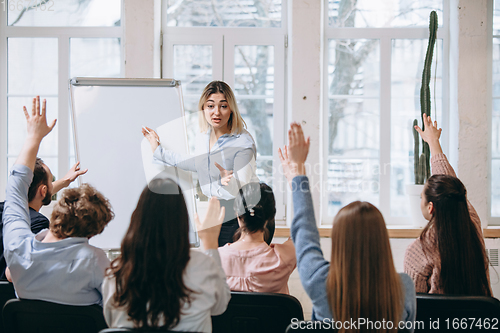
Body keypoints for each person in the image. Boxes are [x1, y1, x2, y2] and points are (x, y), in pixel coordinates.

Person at [280, 123, 416, 332]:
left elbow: (304, 233)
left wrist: (298, 175)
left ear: (340, 241)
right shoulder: (403, 288)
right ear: (382, 241)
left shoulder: (322, 284)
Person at [3, 96, 113, 305]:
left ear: (56, 213)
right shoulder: (95, 261)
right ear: (92, 232)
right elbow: (119, 311)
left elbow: (15, 190)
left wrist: (33, 138)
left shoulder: (19, 251)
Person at [102, 179, 230, 332]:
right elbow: (220, 307)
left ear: (138, 217)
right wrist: (210, 245)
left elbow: (112, 323)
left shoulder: (117, 273)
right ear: (182, 220)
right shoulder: (202, 266)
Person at [143, 81, 259, 246]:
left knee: (228, 268)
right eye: (210, 106)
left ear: (231, 108)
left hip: (240, 215)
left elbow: (242, 187)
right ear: (203, 108)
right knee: (215, 264)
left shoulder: (243, 143)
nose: (216, 112)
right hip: (215, 210)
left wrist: (227, 181)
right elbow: (198, 164)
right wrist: (158, 151)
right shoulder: (204, 135)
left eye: (223, 106)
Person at [404, 114, 491, 296]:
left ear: (430, 207)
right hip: (479, 323)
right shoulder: (472, 226)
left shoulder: (418, 251)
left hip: (437, 325)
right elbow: (450, 186)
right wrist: (434, 143)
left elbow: (415, 309)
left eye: (421, 197)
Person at [0, 158, 87, 279]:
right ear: (43, 190)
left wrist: (64, 181)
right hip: (11, 293)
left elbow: (36, 192)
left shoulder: (4, 209)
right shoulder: (38, 222)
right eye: (51, 182)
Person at [218, 182, 296, 294]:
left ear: (237, 214)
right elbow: (302, 232)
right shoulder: (284, 258)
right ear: (271, 217)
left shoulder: (215, 260)